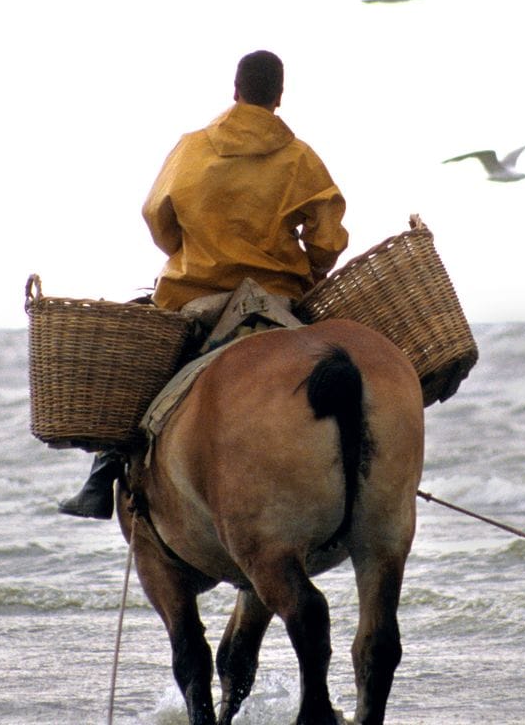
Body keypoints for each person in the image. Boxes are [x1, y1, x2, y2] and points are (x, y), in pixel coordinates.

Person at [58, 50, 349, 518]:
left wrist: (189, 248)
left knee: (138, 372)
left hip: (195, 296)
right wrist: (313, 269)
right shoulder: (300, 158)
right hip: (279, 298)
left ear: (234, 91)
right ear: (279, 97)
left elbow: (157, 216)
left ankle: (101, 479)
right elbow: (327, 235)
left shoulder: (191, 148)